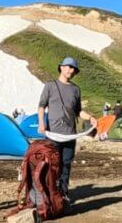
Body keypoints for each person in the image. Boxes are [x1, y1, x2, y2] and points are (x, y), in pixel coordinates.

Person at [38, 57, 95, 203]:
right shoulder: (50, 86)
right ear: (61, 67)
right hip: (53, 134)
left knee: (66, 165)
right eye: (69, 66)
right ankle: (49, 194)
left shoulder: (76, 89)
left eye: (74, 68)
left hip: (70, 135)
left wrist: (90, 118)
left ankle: (63, 194)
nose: (71, 70)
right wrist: (41, 123)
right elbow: (41, 106)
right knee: (52, 164)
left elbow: (78, 111)